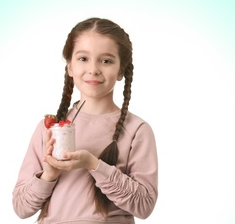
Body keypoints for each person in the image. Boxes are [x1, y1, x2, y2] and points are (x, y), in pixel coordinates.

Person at [12, 17, 158, 223]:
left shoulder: (137, 130)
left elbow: (144, 205)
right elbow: (21, 207)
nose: (93, 69)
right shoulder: (50, 127)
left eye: (106, 61)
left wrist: (94, 164)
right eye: (83, 59)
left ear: (121, 71)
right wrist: (49, 175)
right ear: (70, 66)